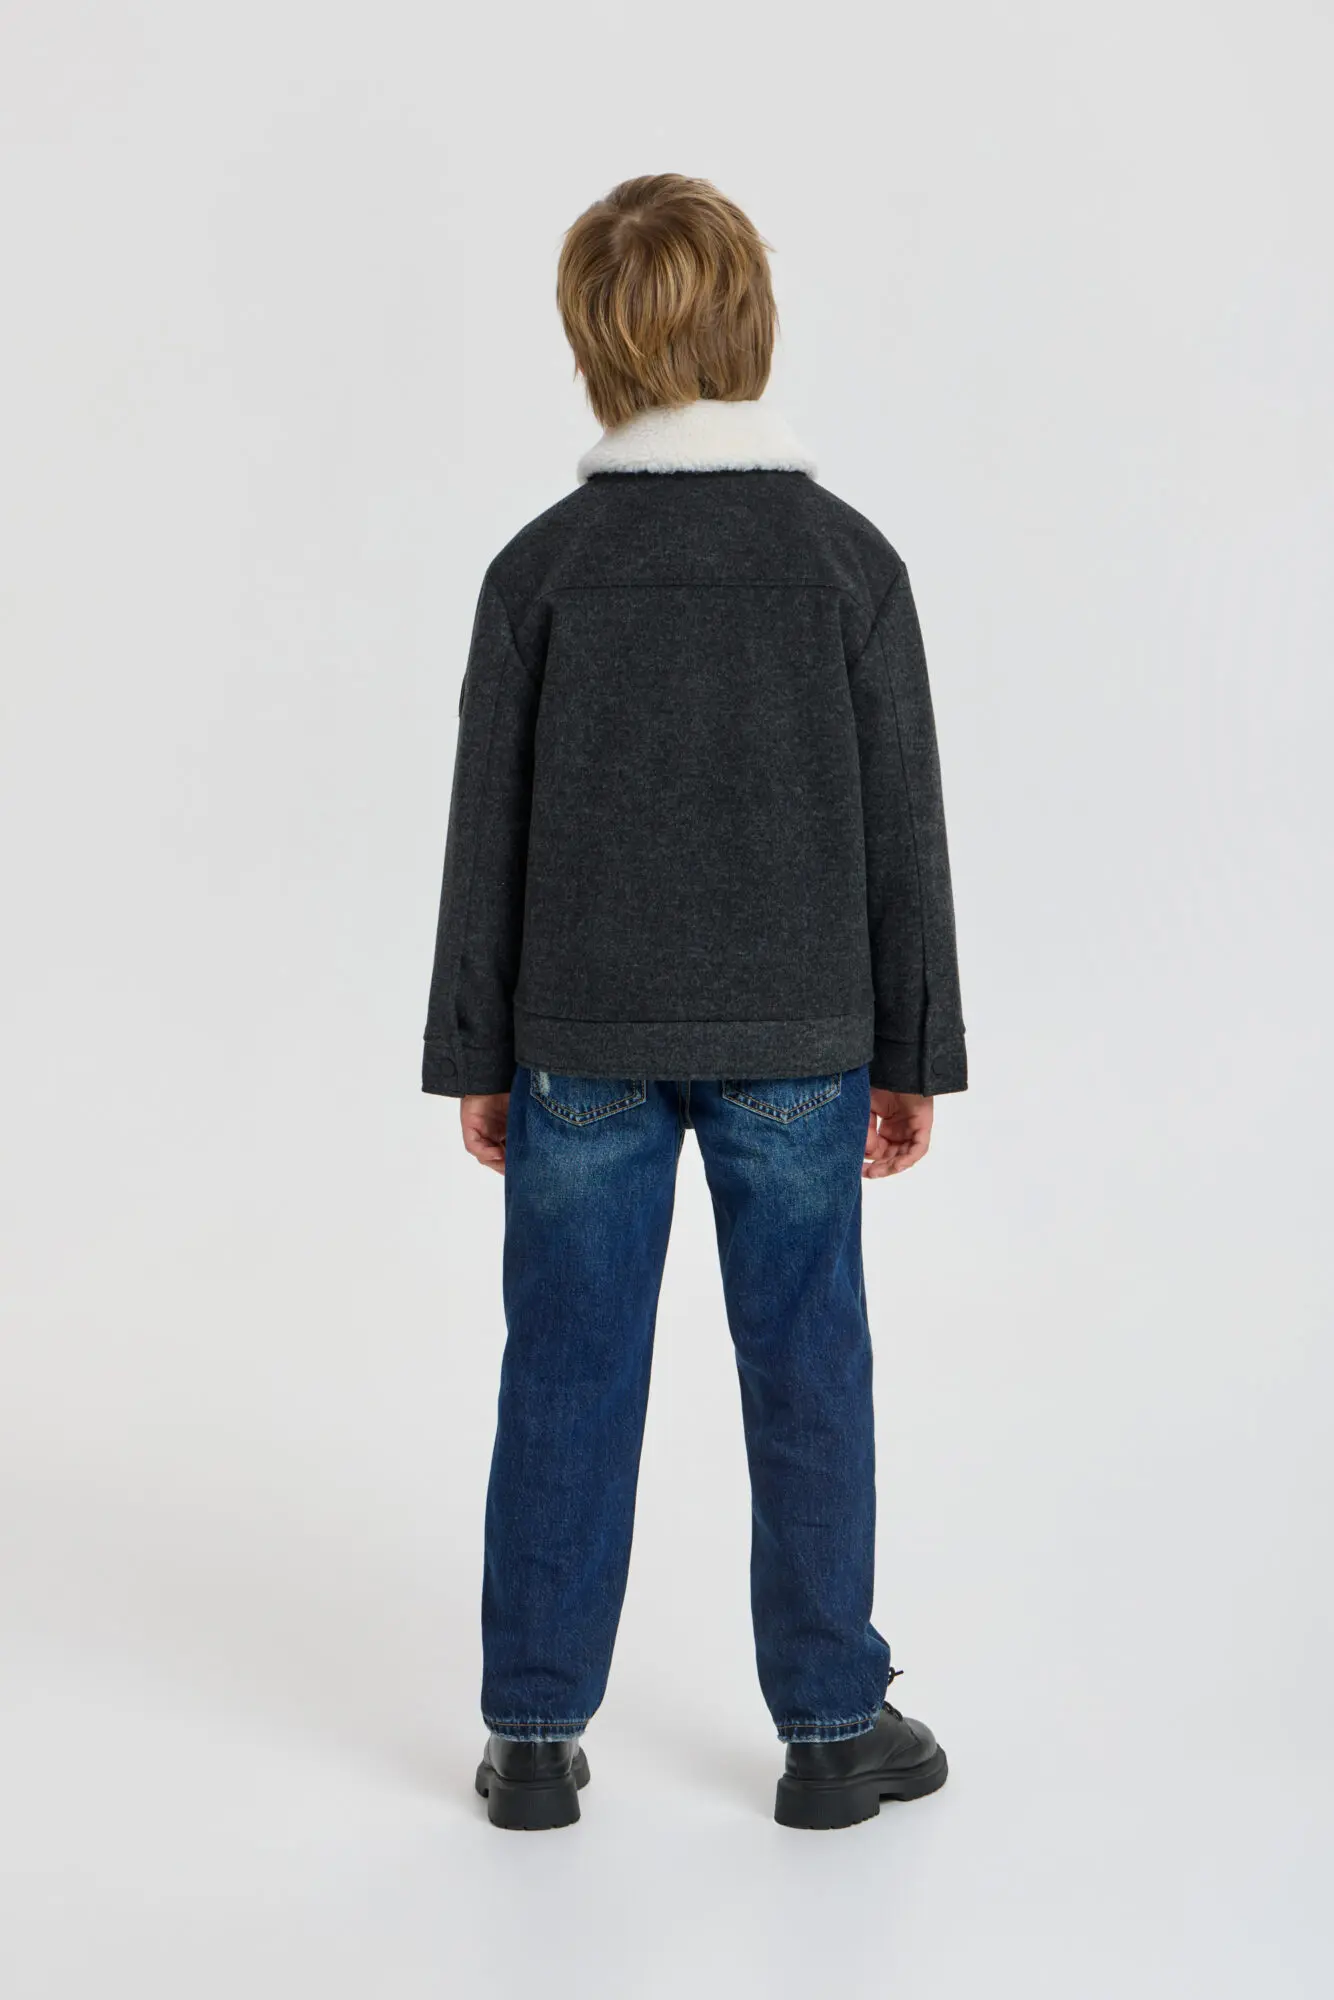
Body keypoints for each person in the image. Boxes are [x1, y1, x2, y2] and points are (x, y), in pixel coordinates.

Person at [421, 174, 968, 1831]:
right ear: (753, 329)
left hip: (577, 1041)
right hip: (799, 1044)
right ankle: (829, 1730)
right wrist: (913, 1053)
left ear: (591, 347)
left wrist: (475, 1051)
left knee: (563, 1368)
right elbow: (902, 828)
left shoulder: (541, 571)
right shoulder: (845, 563)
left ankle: (531, 1737)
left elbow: (486, 834)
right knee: (807, 1365)